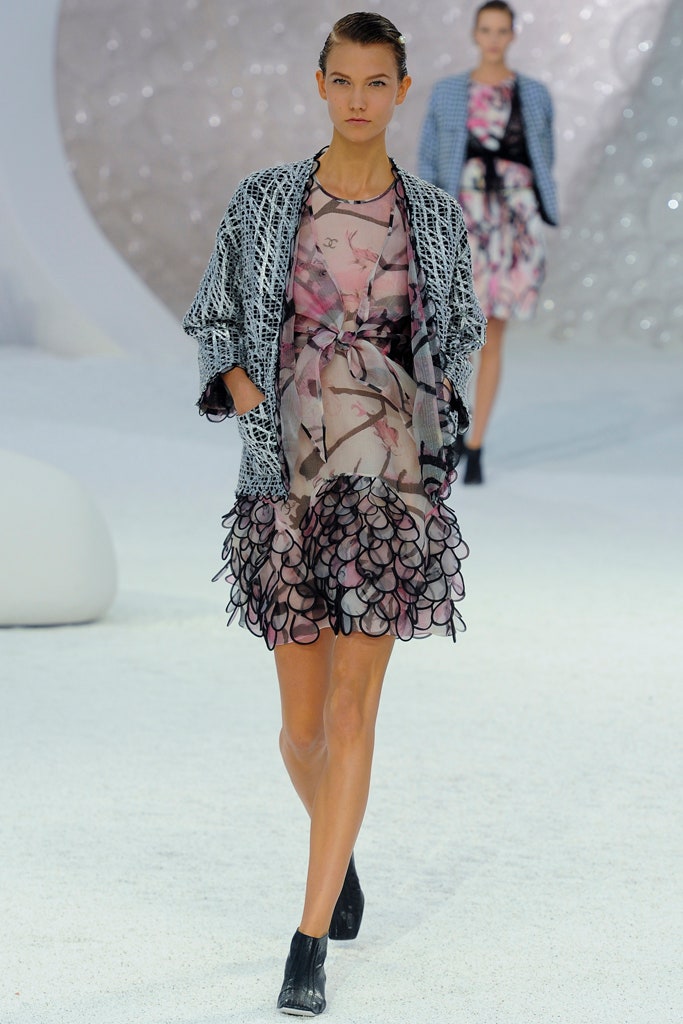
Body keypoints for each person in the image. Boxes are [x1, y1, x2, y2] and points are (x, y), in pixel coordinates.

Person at [183, 12, 485, 1017]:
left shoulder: (433, 216)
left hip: (387, 482)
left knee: (354, 712)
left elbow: (461, 328)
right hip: (287, 480)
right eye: (342, 80)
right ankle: (337, 846)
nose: (359, 99)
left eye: (376, 82)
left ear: (401, 89)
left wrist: (442, 414)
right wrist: (240, 388)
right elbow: (214, 311)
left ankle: (306, 940)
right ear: (320, 84)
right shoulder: (265, 198)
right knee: (301, 727)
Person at [418, 0, 558, 484]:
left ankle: (475, 444)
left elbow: (543, 157)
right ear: (475, 34)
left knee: (494, 334)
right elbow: (429, 159)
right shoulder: (447, 93)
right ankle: (453, 429)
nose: (494, 39)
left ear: (512, 35)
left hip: (514, 223)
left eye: (502, 30)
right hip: (466, 219)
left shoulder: (534, 94)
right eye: (487, 30)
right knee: (454, 330)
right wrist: (432, 219)